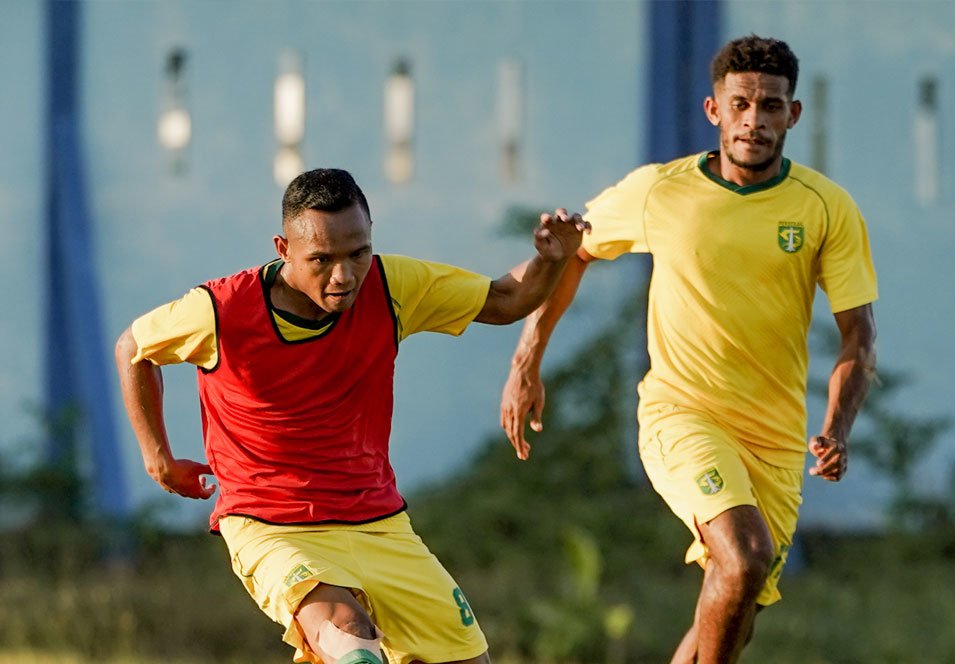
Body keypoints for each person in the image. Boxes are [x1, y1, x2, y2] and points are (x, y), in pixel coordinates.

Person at [500, 35, 877, 664]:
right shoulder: (660, 191)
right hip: (683, 415)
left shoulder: (826, 209)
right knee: (744, 554)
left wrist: (838, 424)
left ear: (794, 114)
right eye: (741, 104)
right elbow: (573, 254)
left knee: (735, 600)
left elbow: (858, 334)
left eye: (771, 107)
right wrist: (526, 361)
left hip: (776, 438)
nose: (754, 120)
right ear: (714, 110)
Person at [115, 167, 589, 664]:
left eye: (357, 253)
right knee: (349, 638)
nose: (343, 276)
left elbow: (507, 299)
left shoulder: (391, 286)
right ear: (283, 249)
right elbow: (133, 347)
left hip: (378, 520)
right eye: (321, 259)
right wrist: (158, 459)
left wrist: (548, 260)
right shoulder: (220, 310)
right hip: (270, 522)